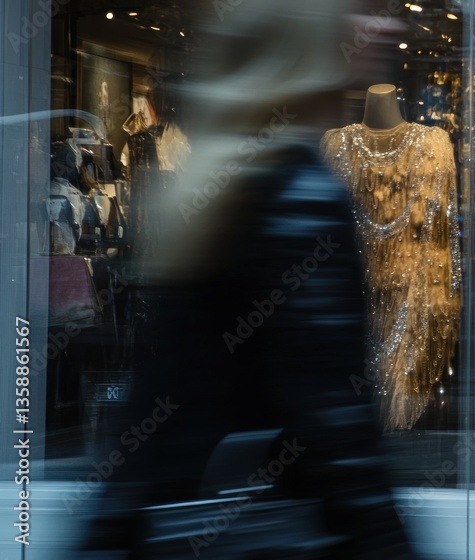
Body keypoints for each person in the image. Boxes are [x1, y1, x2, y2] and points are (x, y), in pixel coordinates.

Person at [78, 1, 419, 557]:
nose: (387, 26)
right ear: (309, 42)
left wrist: (110, 530)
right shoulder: (298, 194)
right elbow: (337, 426)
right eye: (360, 12)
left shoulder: (216, 185)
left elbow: (153, 413)